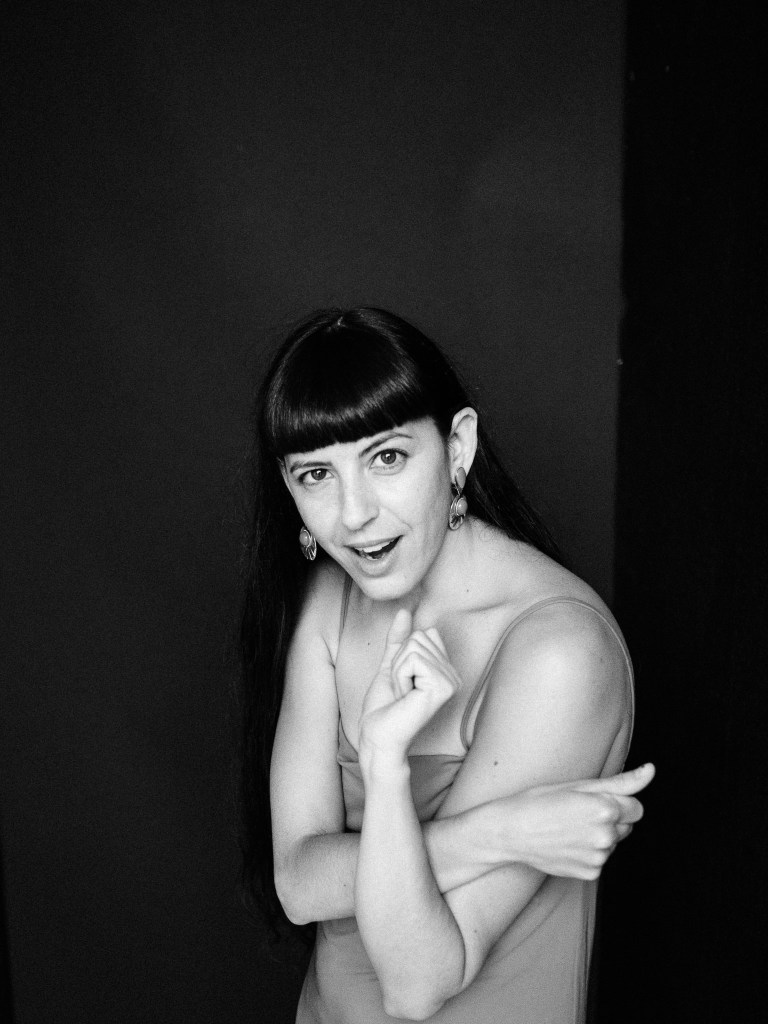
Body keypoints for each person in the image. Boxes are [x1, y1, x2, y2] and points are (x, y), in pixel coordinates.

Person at [239, 307, 654, 1023]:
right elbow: (298, 885)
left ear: (457, 447)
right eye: (316, 474)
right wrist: (501, 832)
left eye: (387, 458)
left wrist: (386, 767)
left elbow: (419, 983)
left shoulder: (559, 651)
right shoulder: (329, 599)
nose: (354, 514)